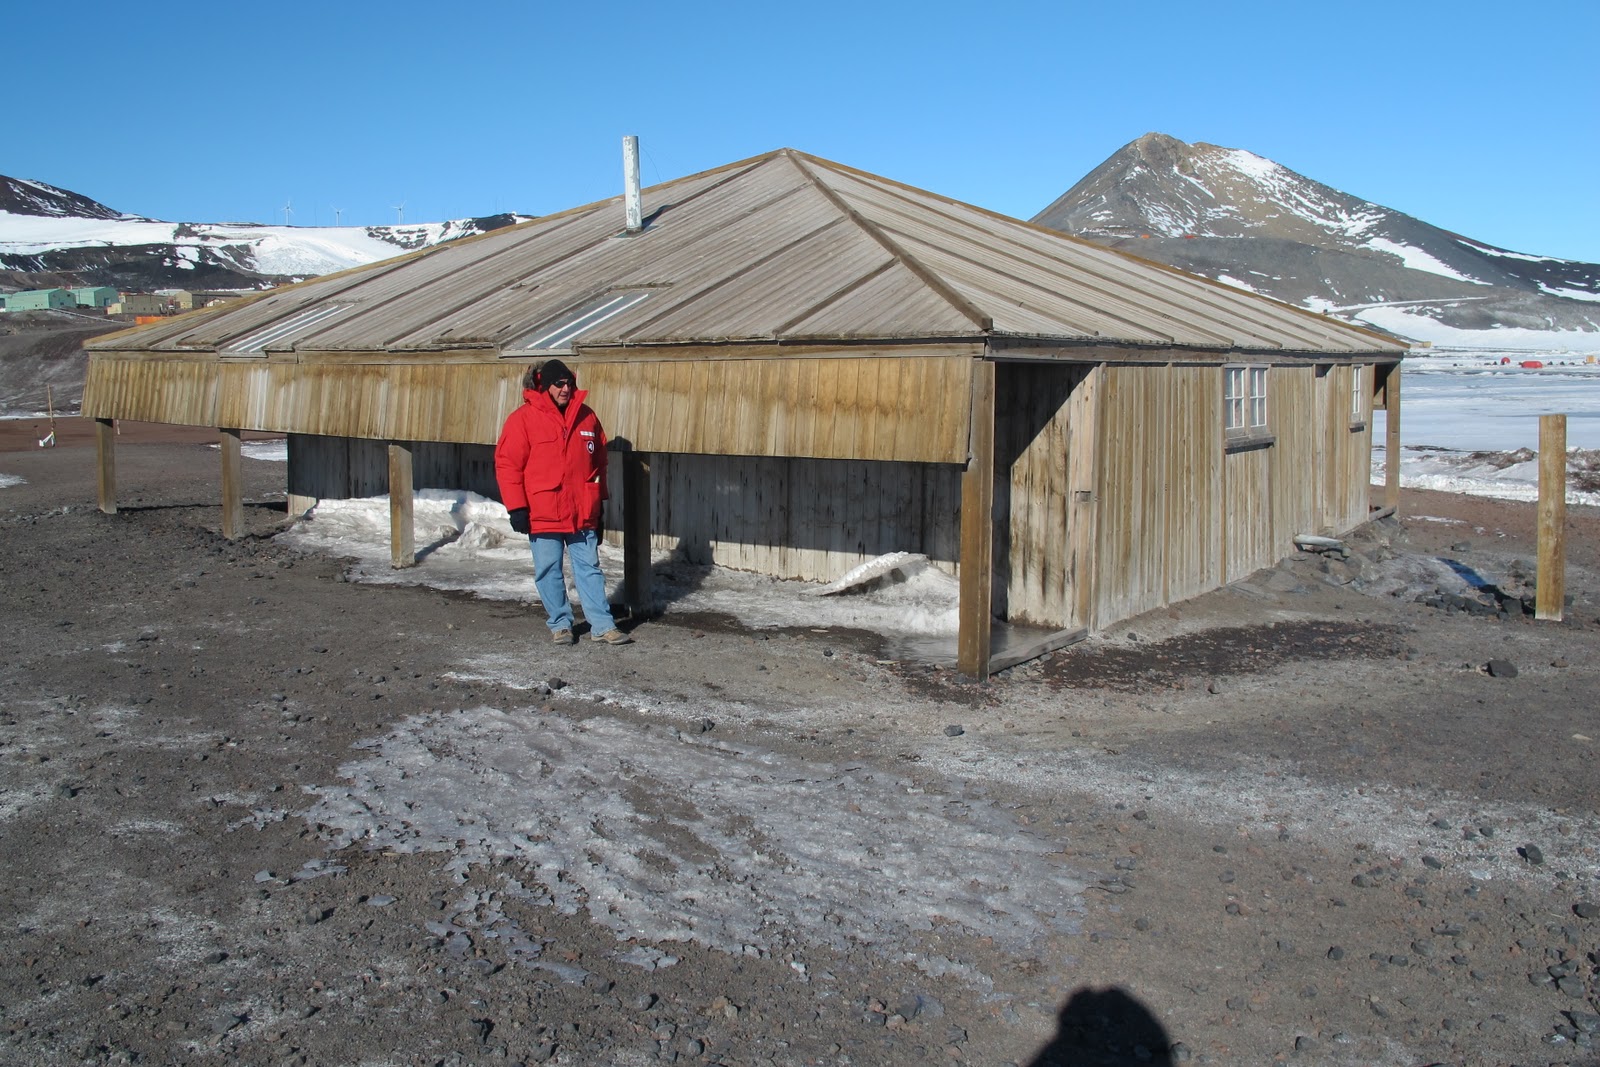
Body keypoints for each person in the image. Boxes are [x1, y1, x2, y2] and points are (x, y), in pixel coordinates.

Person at [494, 358, 632, 646]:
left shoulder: (588, 417)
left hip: (582, 512)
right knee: (548, 570)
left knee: (590, 568)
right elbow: (508, 466)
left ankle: (603, 625)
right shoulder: (522, 420)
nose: (566, 388)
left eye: (569, 382)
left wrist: (600, 506)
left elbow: (598, 466)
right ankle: (560, 624)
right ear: (544, 385)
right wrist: (517, 507)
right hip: (542, 511)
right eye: (559, 384)